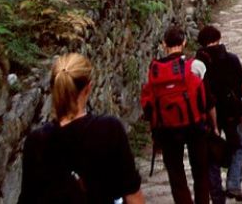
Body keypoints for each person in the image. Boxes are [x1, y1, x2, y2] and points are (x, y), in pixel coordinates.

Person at [19, 53, 144, 204]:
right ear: (88, 88)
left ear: (53, 88)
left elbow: (28, 197)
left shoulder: (36, 141)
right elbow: (132, 192)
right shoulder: (109, 129)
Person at [141, 25, 212, 204]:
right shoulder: (195, 66)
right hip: (195, 126)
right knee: (200, 172)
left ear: (164, 44)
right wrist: (213, 125)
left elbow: (148, 103)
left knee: (176, 174)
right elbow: (207, 99)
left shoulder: (154, 71)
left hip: (167, 130)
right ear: (184, 42)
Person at [196, 25, 242, 203]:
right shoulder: (231, 59)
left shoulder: (196, 65)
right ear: (219, 38)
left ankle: (217, 196)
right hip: (231, 111)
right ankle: (234, 184)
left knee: (212, 154)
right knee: (238, 145)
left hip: (207, 113)